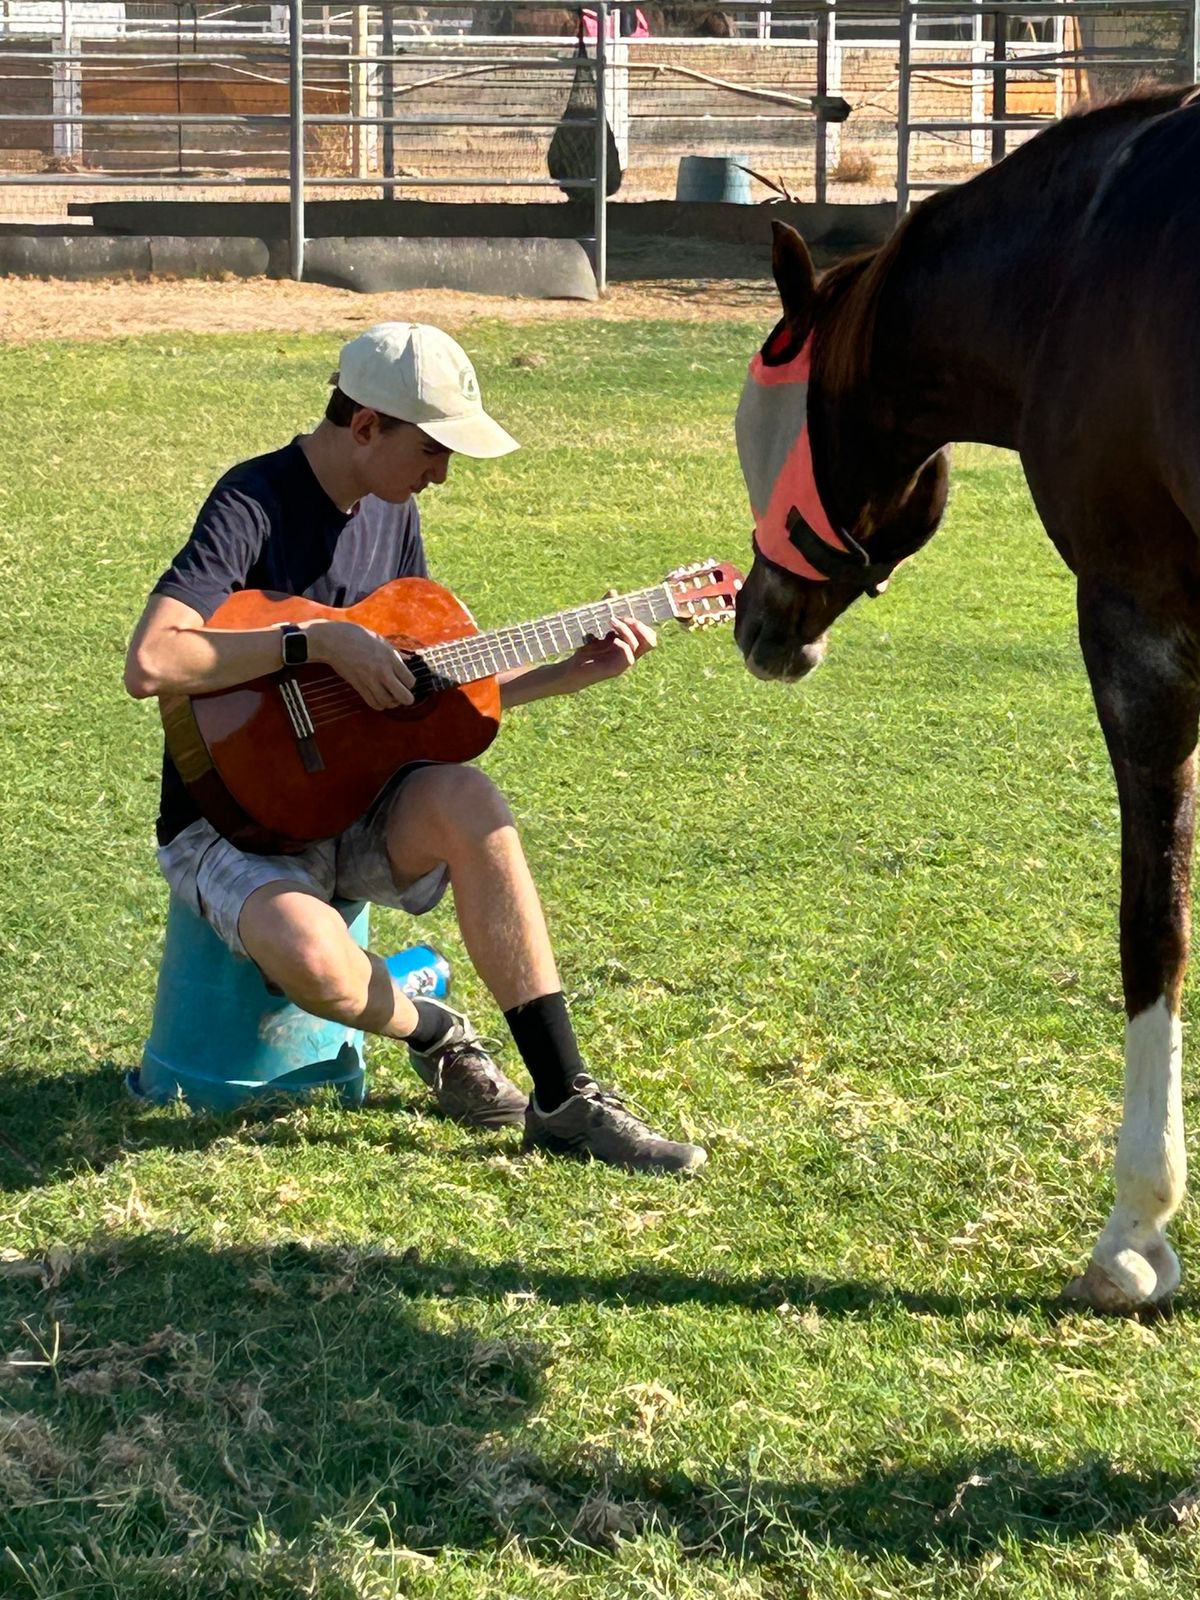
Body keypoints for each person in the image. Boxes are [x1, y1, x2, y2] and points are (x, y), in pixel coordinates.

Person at [124, 321, 706, 1175]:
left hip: (351, 807)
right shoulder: (251, 501)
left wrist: (566, 676)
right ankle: (435, 1029)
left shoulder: (391, 517)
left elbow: (418, 706)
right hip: (229, 826)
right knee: (315, 962)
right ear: (366, 426)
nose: (441, 474)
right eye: (432, 451)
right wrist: (313, 641)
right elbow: (152, 661)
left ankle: (563, 1098)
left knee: (472, 799)